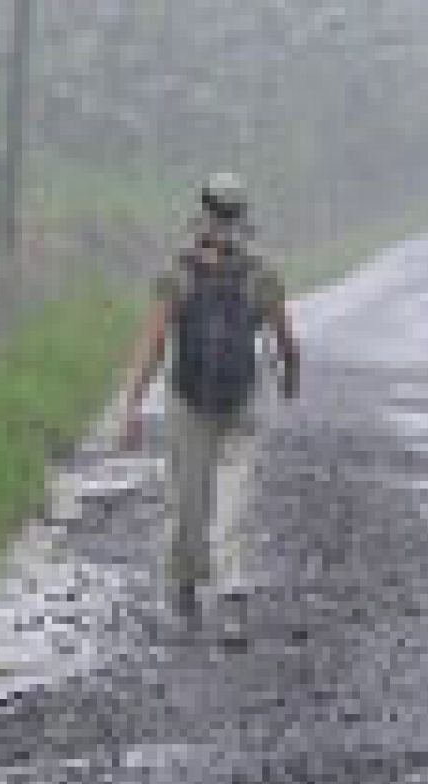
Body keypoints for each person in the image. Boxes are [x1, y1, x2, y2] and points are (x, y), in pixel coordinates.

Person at [119, 172, 300, 628]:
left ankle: (185, 588)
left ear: (202, 213)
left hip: (188, 400)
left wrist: (133, 405)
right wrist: (290, 380)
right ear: (243, 216)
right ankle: (232, 596)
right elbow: (285, 340)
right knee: (233, 500)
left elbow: (154, 340)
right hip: (243, 399)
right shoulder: (262, 274)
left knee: (188, 500)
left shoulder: (177, 274)